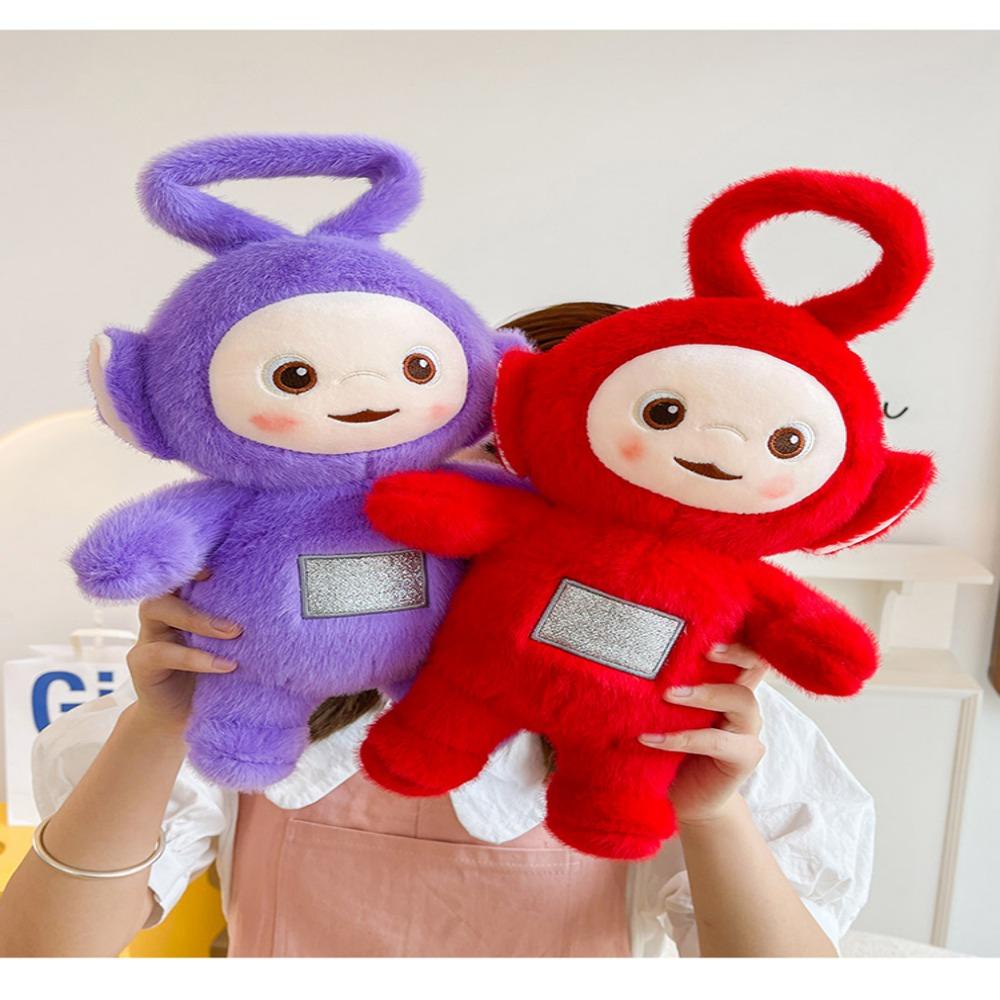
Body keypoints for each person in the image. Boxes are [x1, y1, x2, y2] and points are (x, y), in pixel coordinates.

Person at [0, 305, 874, 959]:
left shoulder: (710, 722)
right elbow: (39, 958)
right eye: (507, 451)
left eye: (598, 482)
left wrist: (713, 814)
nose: (547, 510)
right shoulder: (270, 675)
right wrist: (156, 725)